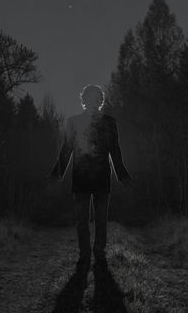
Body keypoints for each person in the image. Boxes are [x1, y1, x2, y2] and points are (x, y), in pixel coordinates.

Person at [48, 84, 132, 264]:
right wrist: (57, 173)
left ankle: (94, 253)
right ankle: (89, 253)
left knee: (94, 220)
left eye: (96, 99)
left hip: (95, 178)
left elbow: (115, 151)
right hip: (85, 178)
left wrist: (123, 175)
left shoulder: (107, 122)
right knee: (87, 220)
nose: (94, 102)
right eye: (91, 99)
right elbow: (67, 149)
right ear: (85, 101)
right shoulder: (77, 122)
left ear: (99, 101)